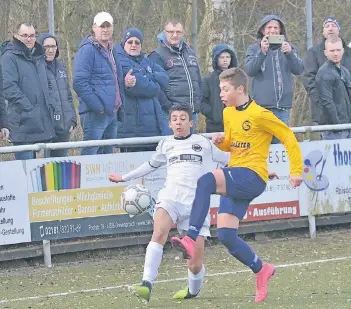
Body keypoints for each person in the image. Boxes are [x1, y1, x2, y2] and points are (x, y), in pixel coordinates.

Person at [170, 68, 303, 303]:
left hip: (251, 176)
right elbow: (234, 145)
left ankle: (190, 238)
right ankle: (261, 269)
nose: (221, 93)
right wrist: (222, 143)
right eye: (220, 89)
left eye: (225, 89)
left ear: (240, 89)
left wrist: (295, 171)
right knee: (226, 235)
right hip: (236, 174)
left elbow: (288, 137)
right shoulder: (229, 112)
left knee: (206, 181)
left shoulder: (260, 114)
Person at [108, 105, 229, 302]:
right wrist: (124, 177)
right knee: (158, 233)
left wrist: (257, 172)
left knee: (194, 264)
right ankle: (146, 284)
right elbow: (149, 165)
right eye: (175, 118)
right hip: (170, 197)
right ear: (170, 124)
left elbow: (229, 159)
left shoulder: (204, 143)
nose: (179, 122)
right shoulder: (166, 144)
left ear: (191, 122)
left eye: (183, 118)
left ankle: (193, 290)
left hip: (196, 204)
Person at [243, 15, 303, 143]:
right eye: (269, 27)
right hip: (261, 108)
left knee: (280, 145)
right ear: (262, 31)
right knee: (261, 144)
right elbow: (249, 70)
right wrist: (262, 52)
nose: (272, 30)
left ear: (280, 30)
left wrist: (290, 53)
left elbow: (299, 69)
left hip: (282, 109)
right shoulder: (254, 49)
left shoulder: (289, 48)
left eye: (276, 27)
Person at [73, 12, 125, 155]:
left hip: (112, 113)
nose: (105, 29)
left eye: (108, 26)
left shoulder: (112, 50)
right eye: (102, 26)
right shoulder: (87, 50)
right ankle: (82, 179)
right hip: (94, 114)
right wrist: (98, 107)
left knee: (106, 157)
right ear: (94, 27)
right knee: (90, 156)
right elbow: (79, 82)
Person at [1, 22, 55, 159]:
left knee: (43, 175)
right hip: (22, 123)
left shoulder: (38, 56)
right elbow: (8, 87)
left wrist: (50, 103)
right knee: (25, 174)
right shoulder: (9, 57)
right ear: (16, 36)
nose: (29, 39)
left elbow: (47, 83)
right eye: (25, 35)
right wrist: (29, 107)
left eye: (32, 35)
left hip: (43, 124)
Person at [115, 28, 168, 151]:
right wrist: (153, 82)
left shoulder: (145, 60)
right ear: (124, 44)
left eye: (137, 42)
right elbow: (144, 87)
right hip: (132, 128)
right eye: (130, 42)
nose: (133, 45)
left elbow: (165, 77)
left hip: (153, 127)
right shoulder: (120, 61)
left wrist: (147, 77)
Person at [149, 20, 202, 135]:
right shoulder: (157, 55)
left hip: (191, 111)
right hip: (171, 112)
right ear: (165, 32)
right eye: (171, 32)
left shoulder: (190, 52)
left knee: (188, 146)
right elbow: (156, 86)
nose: (174, 35)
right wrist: (168, 106)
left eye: (178, 32)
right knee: (172, 147)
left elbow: (198, 79)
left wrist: (198, 102)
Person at [303, 17, 351, 126]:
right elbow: (309, 81)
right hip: (325, 114)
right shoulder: (313, 53)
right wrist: (321, 104)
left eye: (334, 26)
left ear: (339, 30)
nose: (330, 28)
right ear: (323, 31)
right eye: (327, 26)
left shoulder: (349, 53)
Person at [39, 33, 77, 157]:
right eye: (46, 46)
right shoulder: (36, 67)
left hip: (64, 129)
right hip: (46, 130)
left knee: (60, 170)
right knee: (45, 170)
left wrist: (72, 120)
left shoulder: (61, 66)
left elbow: (68, 95)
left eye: (53, 46)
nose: (50, 50)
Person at [316, 36, 351, 140]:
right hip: (333, 130)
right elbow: (327, 102)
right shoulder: (324, 73)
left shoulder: (345, 71)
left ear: (343, 51)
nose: (336, 53)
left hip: (347, 125)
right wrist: (337, 126)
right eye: (332, 50)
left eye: (338, 50)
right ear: (325, 52)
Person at [201, 44, 238, 133]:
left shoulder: (237, 77)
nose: (225, 60)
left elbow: (243, 97)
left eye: (228, 57)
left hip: (236, 122)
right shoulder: (209, 79)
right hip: (215, 125)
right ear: (216, 59)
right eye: (222, 57)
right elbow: (201, 100)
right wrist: (213, 114)